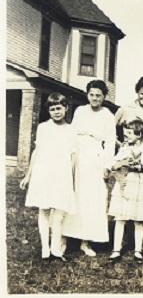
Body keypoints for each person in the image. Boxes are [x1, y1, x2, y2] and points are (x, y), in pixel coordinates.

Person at [19, 93, 76, 261]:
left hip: (62, 174)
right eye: (52, 109)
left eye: (59, 108)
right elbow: (37, 152)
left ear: (66, 108)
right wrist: (28, 175)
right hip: (44, 172)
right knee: (44, 210)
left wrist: (71, 179)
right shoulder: (43, 127)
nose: (56, 112)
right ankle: (45, 249)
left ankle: (56, 249)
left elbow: (73, 156)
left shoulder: (71, 130)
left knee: (59, 213)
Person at [62, 80, 116, 257]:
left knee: (93, 198)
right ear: (87, 95)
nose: (94, 98)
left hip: (95, 157)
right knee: (75, 195)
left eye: (98, 95)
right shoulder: (80, 111)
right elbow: (72, 135)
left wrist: (107, 165)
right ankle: (67, 237)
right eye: (91, 95)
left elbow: (109, 142)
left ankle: (86, 241)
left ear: (104, 97)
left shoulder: (107, 115)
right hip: (79, 155)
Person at [115, 75, 143, 250]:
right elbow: (111, 128)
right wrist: (122, 146)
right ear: (137, 92)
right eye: (142, 94)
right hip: (129, 158)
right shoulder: (126, 109)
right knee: (126, 194)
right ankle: (125, 239)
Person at [108, 119, 143, 263]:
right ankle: (116, 250)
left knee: (139, 220)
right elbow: (113, 164)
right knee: (120, 218)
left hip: (139, 184)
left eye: (129, 133)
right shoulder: (124, 148)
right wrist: (122, 163)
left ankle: (138, 251)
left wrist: (142, 167)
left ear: (140, 134)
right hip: (125, 183)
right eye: (126, 133)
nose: (126, 136)